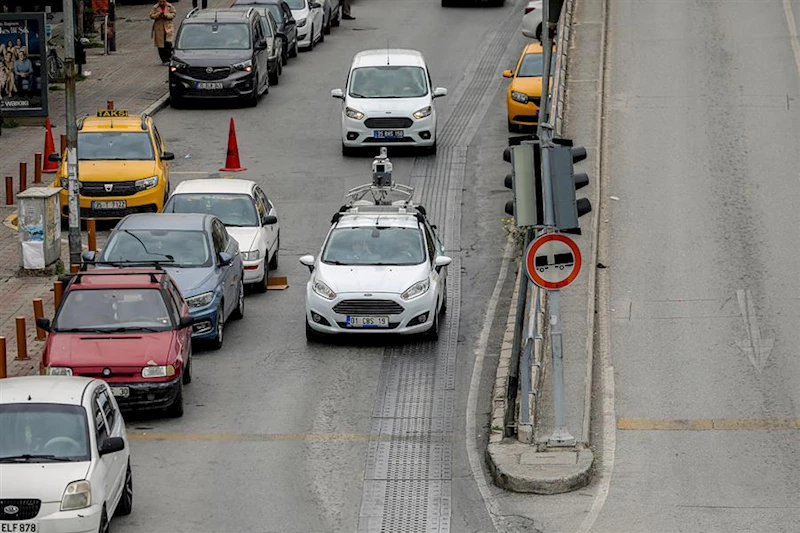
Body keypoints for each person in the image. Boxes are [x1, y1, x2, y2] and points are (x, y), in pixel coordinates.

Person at [150, 0, 177, 64]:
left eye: (163, 1)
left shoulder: (170, 6)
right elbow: (151, 15)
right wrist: (158, 15)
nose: (162, 3)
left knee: (168, 43)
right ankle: (164, 59)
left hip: (168, 27)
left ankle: (169, 57)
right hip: (159, 28)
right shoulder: (155, 7)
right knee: (161, 45)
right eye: (160, 1)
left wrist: (166, 15)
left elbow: (173, 14)